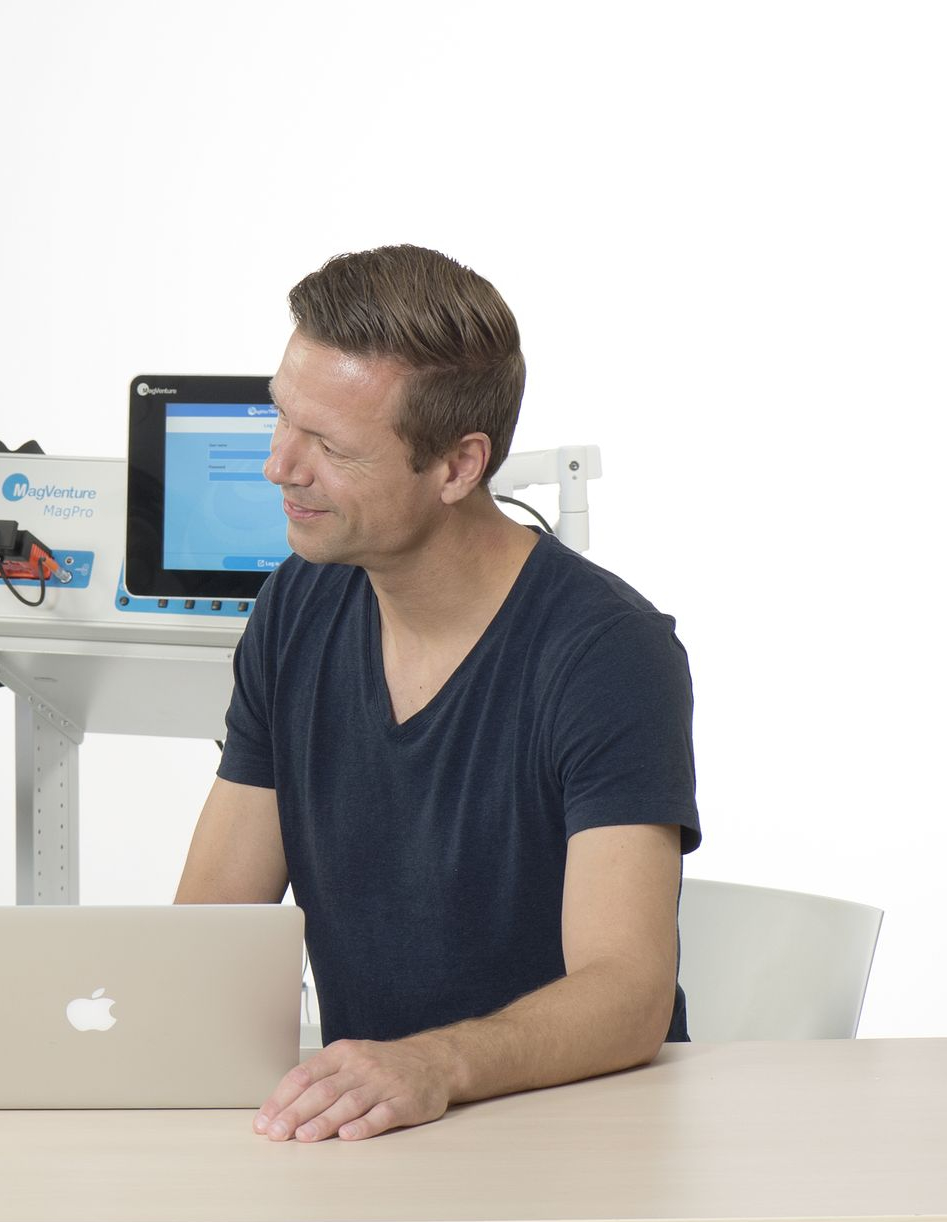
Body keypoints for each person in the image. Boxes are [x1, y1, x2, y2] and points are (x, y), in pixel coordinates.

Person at [176, 245, 699, 1143]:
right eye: (281, 418)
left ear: (458, 467)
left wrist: (435, 1063)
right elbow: (209, 924)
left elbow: (627, 992)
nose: (279, 466)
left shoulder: (607, 651)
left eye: (330, 446)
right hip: (377, 1130)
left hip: (576, 1132)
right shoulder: (296, 605)